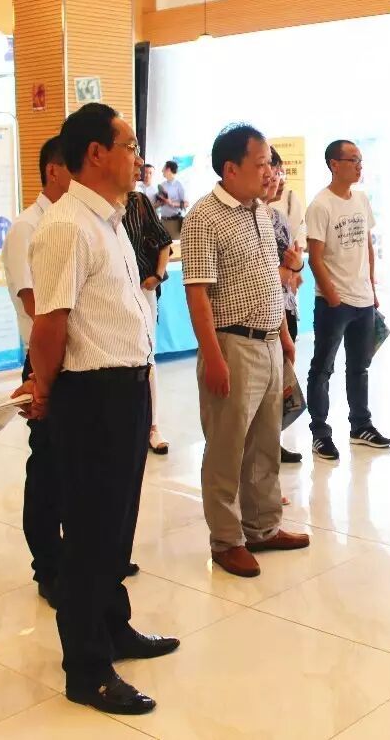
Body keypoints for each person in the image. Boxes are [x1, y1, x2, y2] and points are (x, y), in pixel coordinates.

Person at [17, 103, 178, 716]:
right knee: (89, 534)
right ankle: (86, 668)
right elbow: (50, 323)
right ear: (95, 154)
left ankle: (114, 626)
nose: (138, 156)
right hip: (91, 396)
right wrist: (43, 390)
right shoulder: (66, 226)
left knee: (117, 523)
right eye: (129, 145)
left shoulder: (110, 219)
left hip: (127, 388)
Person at [182, 124, 307, 579]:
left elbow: (270, 278)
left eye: (270, 162)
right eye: (261, 163)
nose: (269, 171)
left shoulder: (260, 211)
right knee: (227, 447)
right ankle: (226, 540)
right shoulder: (204, 216)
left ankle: (262, 527)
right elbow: (197, 294)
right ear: (230, 169)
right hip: (231, 344)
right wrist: (213, 358)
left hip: (270, 342)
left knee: (264, 444)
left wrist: (284, 335)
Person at [2, 135, 70, 606]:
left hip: (77, 356)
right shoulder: (28, 227)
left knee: (76, 463)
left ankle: (81, 552)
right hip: (46, 354)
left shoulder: (79, 220)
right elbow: (35, 304)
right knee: (46, 465)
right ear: (53, 171)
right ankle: (47, 564)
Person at [305, 139, 390, 459]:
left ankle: (360, 426)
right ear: (334, 164)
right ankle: (320, 432)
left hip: (363, 300)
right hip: (335, 303)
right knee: (322, 368)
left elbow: (367, 246)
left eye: (360, 160)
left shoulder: (361, 200)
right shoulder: (320, 205)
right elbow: (314, 258)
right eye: (353, 160)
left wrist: (372, 288)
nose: (359, 166)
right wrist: (332, 296)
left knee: (360, 367)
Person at [122, 155, 174, 453]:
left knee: (147, 355)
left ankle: (153, 426)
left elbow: (164, 241)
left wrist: (157, 275)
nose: (138, 167)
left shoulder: (139, 202)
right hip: (114, 293)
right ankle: (130, 425)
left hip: (143, 289)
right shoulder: (96, 209)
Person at [265, 146, 306, 464]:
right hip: (264, 312)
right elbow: (264, 273)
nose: (277, 179)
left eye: (279, 172)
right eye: (272, 171)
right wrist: (287, 270)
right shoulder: (247, 217)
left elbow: (295, 260)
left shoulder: (278, 217)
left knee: (281, 380)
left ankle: (271, 441)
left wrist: (295, 266)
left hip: (286, 305)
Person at [155, 160, 186, 238]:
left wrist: (171, 203)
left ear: (168, 169)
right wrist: (161, 201)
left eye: (163, 168)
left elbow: (186, 204)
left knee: (174, 244)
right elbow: (160, 202)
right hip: (162, 221)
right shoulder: (162, 185)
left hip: (174, 222)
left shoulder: (179, 185)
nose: (162, 170)